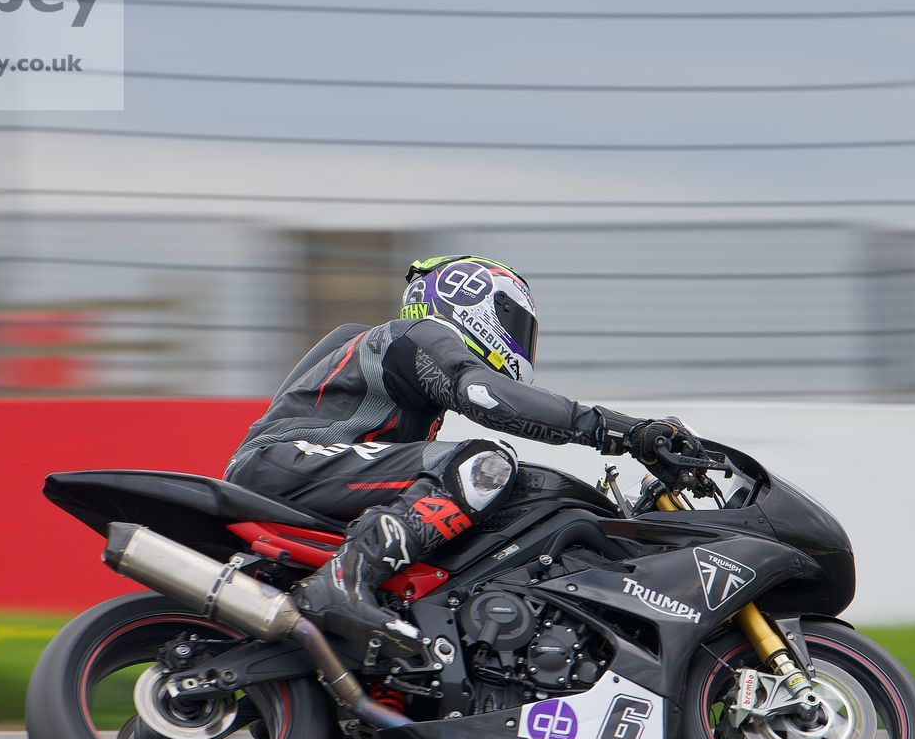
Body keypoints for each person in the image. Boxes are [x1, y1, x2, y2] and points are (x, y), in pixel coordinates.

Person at [226, 254, 693, 656]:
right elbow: (487, 396)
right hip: (286, 462)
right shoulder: (414, 334)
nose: (518, 341)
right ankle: (346, 580)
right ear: (470, 299)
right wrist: (619, 431)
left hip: (303, 470)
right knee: (485, 463)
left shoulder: (389, 355)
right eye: (513, 323)